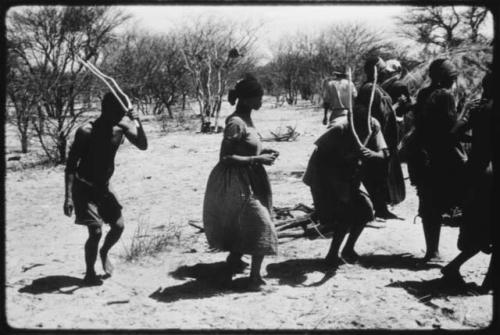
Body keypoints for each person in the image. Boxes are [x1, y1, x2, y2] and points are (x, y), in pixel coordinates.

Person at [203, 74, 279, 290]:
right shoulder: (236, 122)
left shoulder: (247, 119)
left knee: (245, 222)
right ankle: (255, 278)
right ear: (246, 99)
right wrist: (258, 159)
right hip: (236, 182)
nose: (261, 102)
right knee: (261, 224)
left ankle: (234, 260)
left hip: (251, 178)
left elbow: (245, 147)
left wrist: (263, 152)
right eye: (258, 97)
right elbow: (225, 157)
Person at [64, 91, 148, 285]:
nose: (122, 116)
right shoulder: (86, 131)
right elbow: (70, 165)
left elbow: (143, 145)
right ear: (107, 109)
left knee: (118, 227)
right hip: (84, 186)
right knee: (95, 232)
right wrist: (68, 197)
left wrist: (139, 123)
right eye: (119, 112)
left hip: (104, 186)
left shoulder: (122, 127)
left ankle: (104, 252)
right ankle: (89, 273)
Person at [303, 88, 389, 266]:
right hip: (326, 174)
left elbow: (384, 153)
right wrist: (340, 180)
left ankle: (347, 249)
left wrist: (371, 154)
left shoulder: (373, 125)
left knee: (365, 210)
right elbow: (320, 157)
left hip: (350, 174)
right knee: (344, 213)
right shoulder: (339, 127)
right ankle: (332, 254)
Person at [441, 71, 493, 291]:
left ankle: (453, 268)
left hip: (477, 170)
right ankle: (487, 285)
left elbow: (453, 134)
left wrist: (476, 138)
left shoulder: (476, 108)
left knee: (479, 227)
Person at [411, 59, 467, 262]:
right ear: (449, 78)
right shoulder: (445, 96)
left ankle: (431, 251)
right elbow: (451, 130)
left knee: (429, 205)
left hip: (423, 154)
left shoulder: (424, 93)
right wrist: (466, 118)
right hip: (443, 157)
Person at [357, 56, 405, 220]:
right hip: (377, 138)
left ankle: (381, 208)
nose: (386, 72)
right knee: (376, 174)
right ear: (375, 70)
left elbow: (385, 111)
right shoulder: (369, 89)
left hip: (384, 136)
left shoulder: (376, 88)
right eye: (383, 68)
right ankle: (379, 209)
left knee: (382, 174)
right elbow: (373, 115)